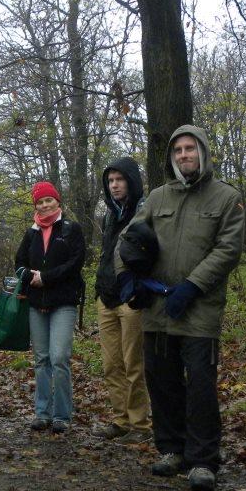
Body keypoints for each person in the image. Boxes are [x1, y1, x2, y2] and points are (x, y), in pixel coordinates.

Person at [116, 125, 244, 491]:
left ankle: (203, 459)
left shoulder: (226, 197)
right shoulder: (158, 197)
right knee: (162, 381)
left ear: (202, 152)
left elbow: (228, 249)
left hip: (200, 309)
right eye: (178, 150)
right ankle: (171, 448)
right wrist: (128, 278)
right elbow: (128, 239)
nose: (184, 155)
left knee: (201, 385)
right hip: (158, 308)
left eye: (190, 149)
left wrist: (192, 285)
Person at [15, 181, 86, 434]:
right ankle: (42, 413)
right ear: (35, 206)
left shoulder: (71, 229)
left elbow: (75, 263)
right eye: (40, 202)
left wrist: (45, 277)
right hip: (36, 304)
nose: (45, 205)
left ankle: (62, 416)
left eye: (49, 200)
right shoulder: (31, 233)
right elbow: (19, 263)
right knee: (41, 359)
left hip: (63, 303)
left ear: (57, 201)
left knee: (59, 358)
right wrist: (29, 277)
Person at [94, 158, 151, 441]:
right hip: (106, 298)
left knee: (133, 364)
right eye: (110, 181)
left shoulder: (145, 211)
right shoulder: (108, 215)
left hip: (131, 299)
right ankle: (121, 420)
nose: (114, 185)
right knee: (111, 365)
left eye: (119, 180)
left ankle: (140, 425)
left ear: (131, 181)